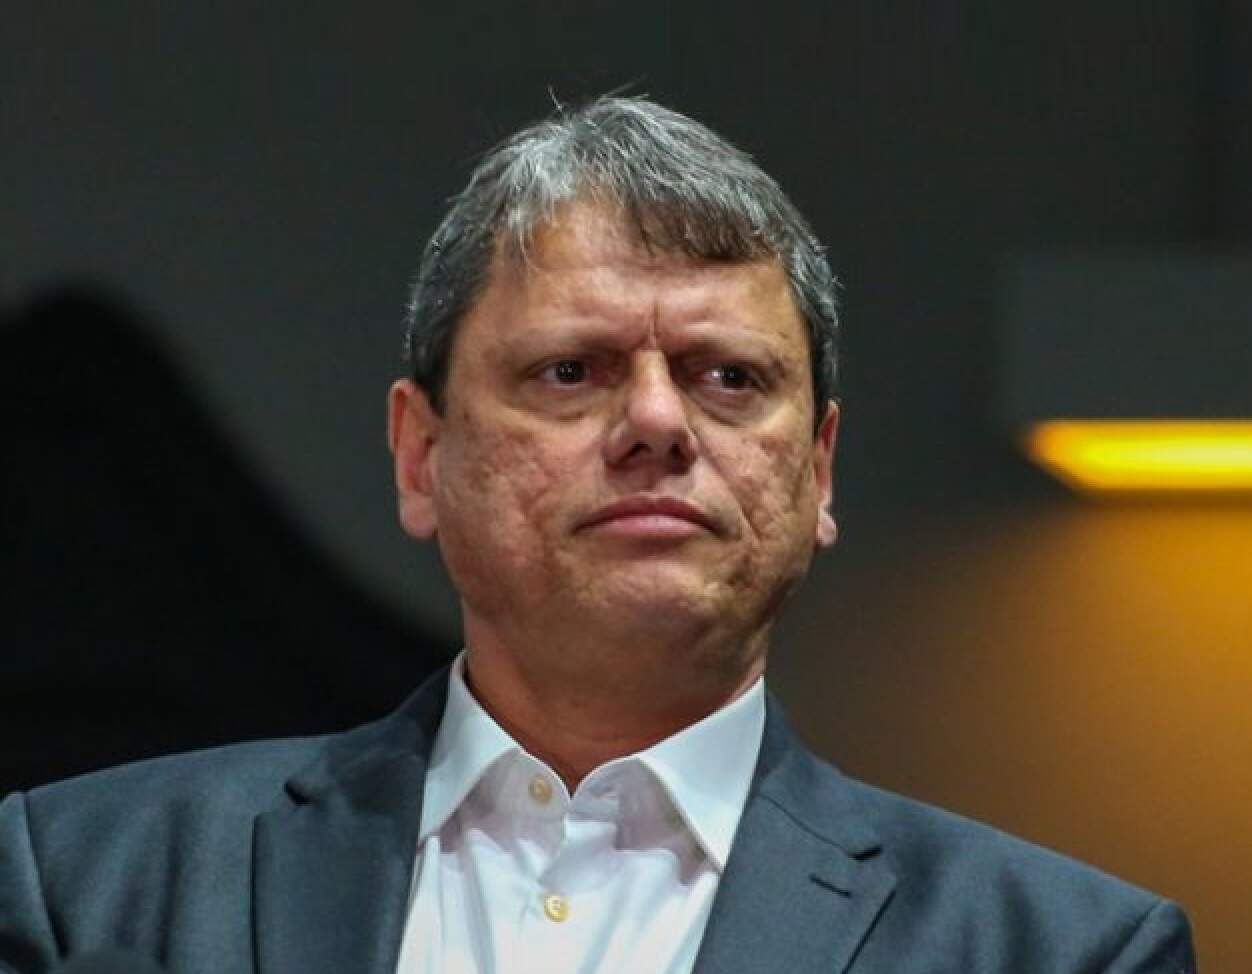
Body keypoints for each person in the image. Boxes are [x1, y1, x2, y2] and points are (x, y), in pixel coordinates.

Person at [0, 97, 1194, 974]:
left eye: (729, 377)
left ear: (817, 468)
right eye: (571, 370)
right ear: (420, 455)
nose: (658, 422)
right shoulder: (81, 878)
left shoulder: (1060, 949)